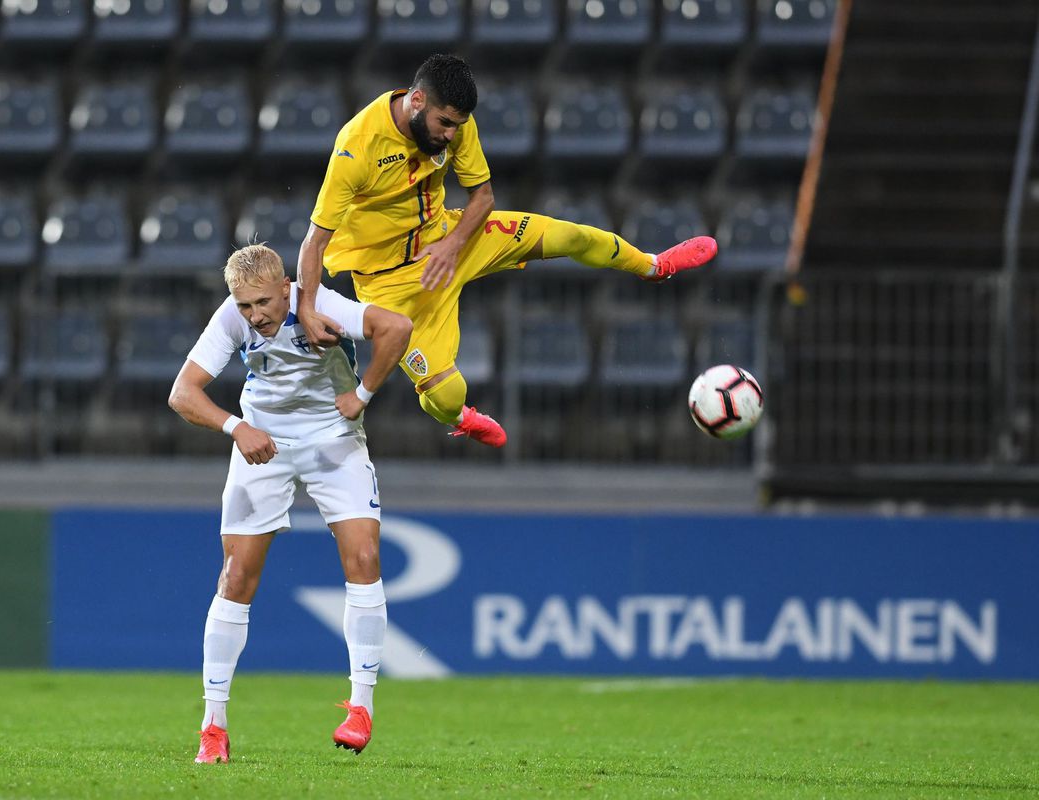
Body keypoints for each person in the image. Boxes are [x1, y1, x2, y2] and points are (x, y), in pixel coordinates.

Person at [296, 53, 718, 447]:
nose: (450, 135)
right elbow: (315, 241)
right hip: (392, 284)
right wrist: (308, 309)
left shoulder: (455, 125)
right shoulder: (358, 146)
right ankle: (461, 418)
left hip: (451, 238)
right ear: (417, 100)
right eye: (445, 123)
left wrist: (452, 245)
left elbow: (482, 197)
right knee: (446, 395)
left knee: (570, 236)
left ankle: (653, 265)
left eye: (458, 126)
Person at [168, 244, 413, 763]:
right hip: (263, 442)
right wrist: (237, 428)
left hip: (333, 438)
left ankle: (361, 708)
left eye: (263, 302)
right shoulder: (232, 319)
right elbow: (182, 393)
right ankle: (213, 726)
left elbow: (397, 327)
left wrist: (363, 395)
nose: (254, 316)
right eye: (244, 305)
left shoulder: (320, 303)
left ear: (287, 288)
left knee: (365, 557)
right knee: (236, 576)